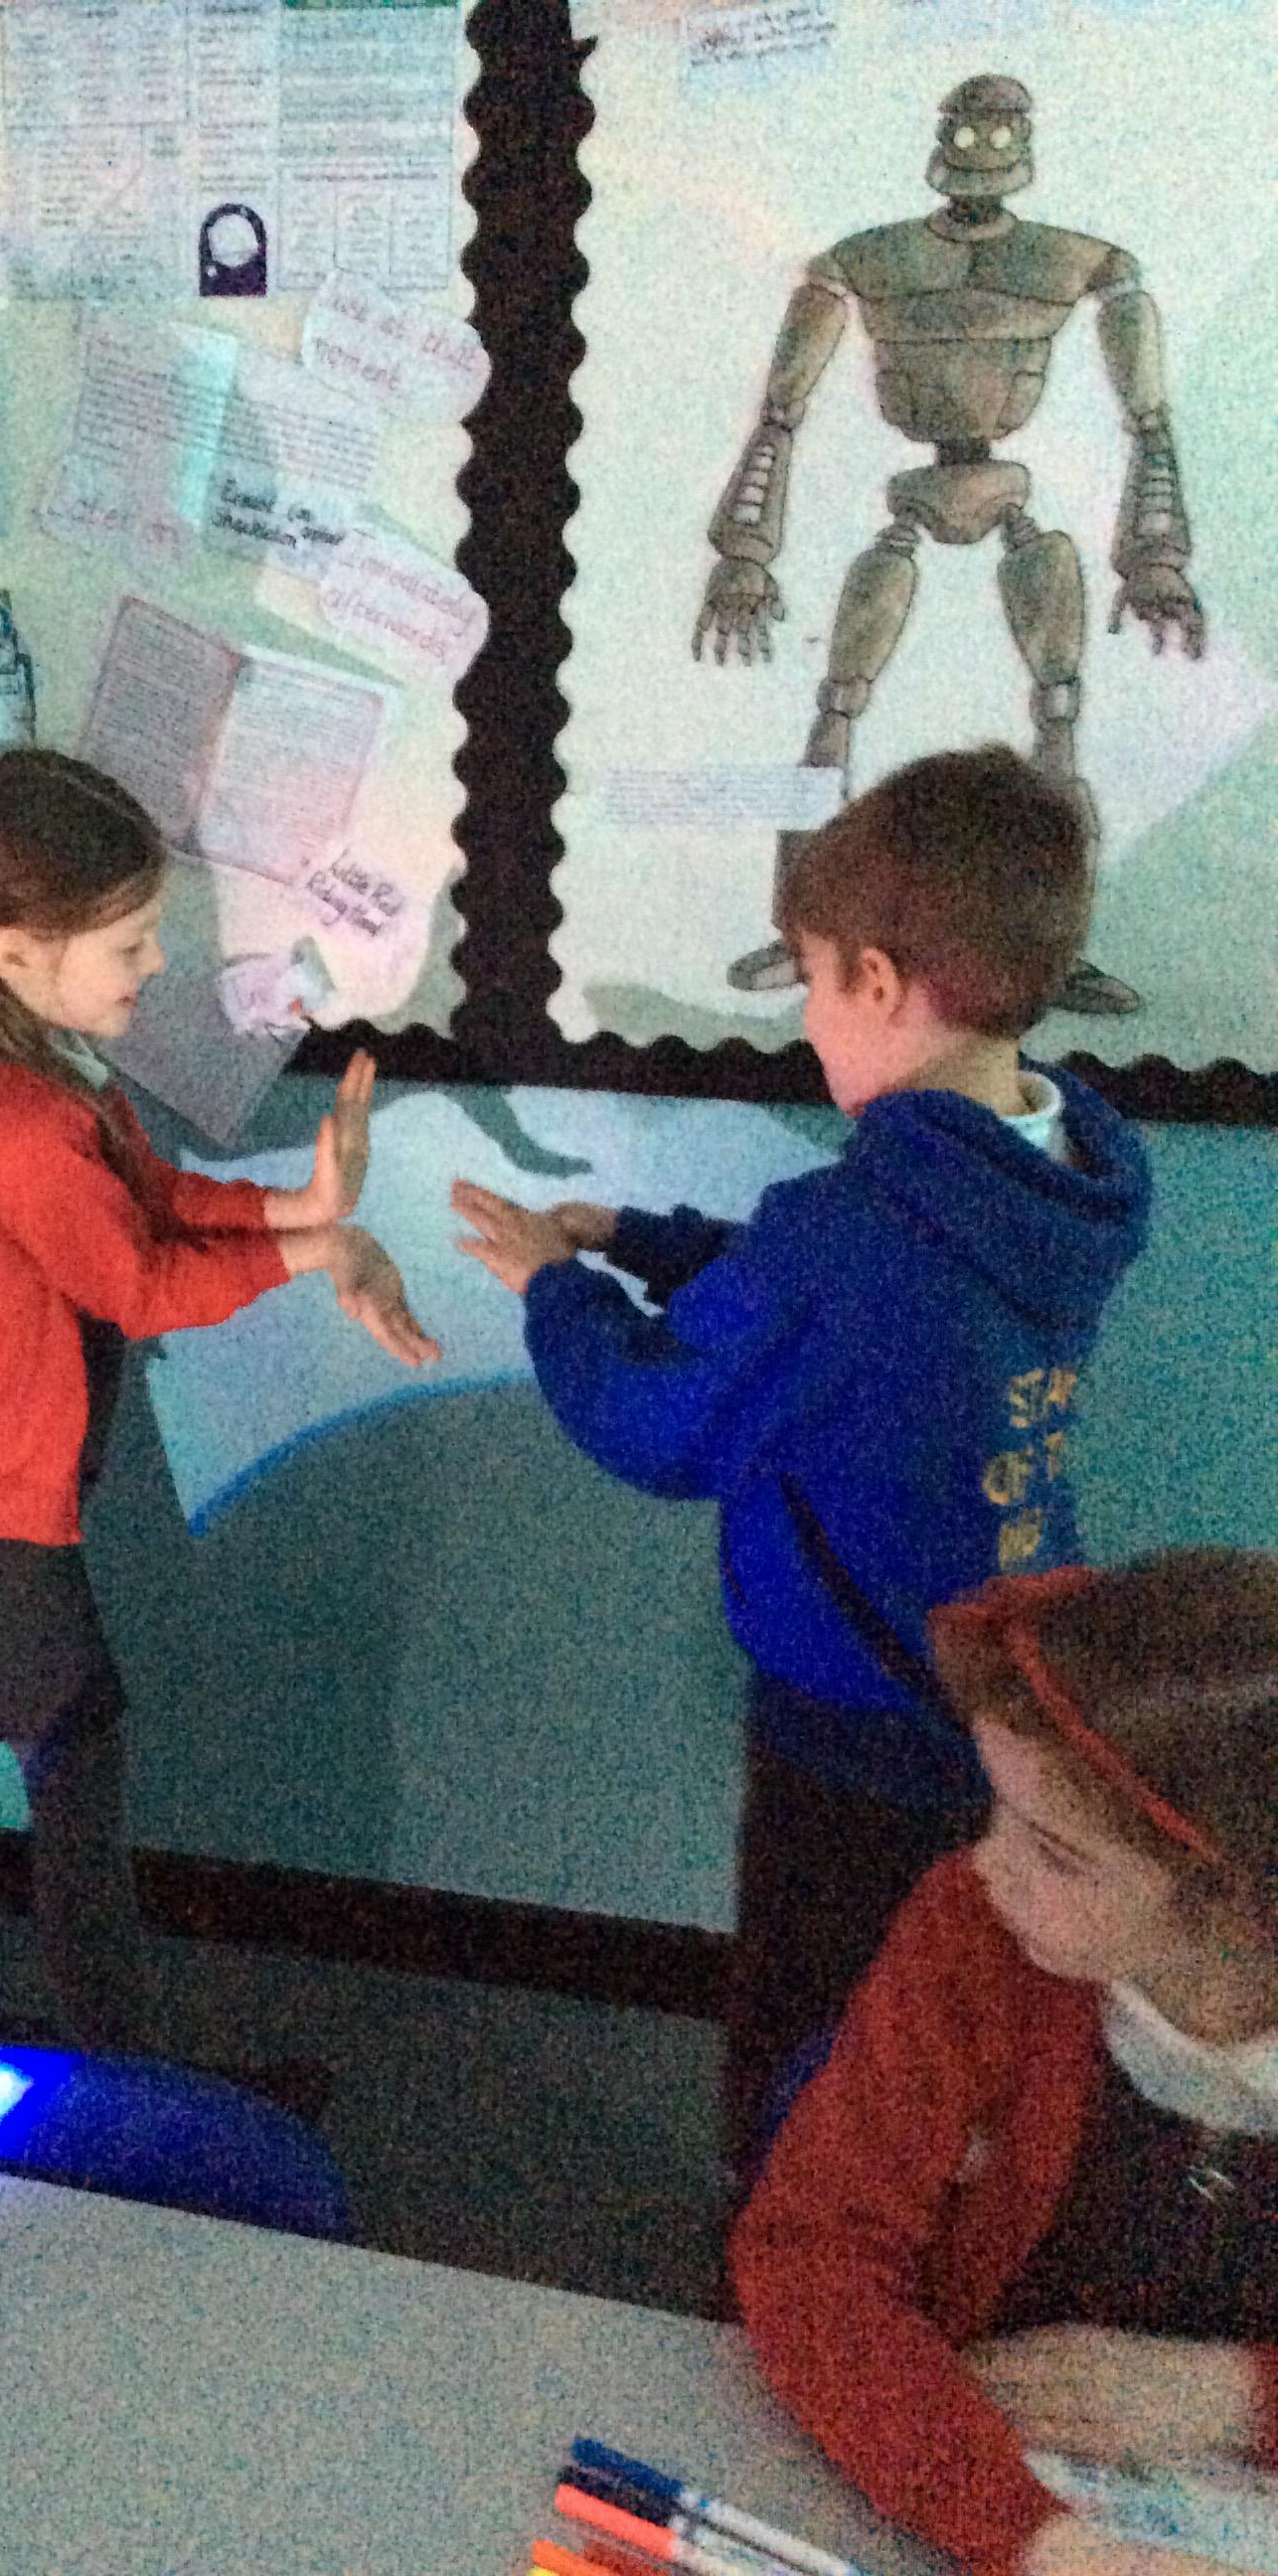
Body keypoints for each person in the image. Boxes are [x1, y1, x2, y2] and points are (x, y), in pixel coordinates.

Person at [449, 747, 1152, 2167]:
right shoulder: (1058, 1174)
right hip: (1010, 1684)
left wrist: (553, 1287)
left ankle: (779, 2232)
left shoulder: (854, 1232)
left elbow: (657, 1422)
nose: (813, 1023)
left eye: (817, 983)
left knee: (820, 2032)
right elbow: (846, 1323)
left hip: (857, 1726)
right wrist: (642, 1240)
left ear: (878, 983)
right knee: (958, 2024)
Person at [0, 746, 436, 2065]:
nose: (154, 965)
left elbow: (134, 1193)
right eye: (130, 942)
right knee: (72, 1759)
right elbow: (139, 1281)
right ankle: (114, 2073)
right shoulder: (13, 1120)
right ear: (18, 951)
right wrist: (313, 1250)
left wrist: (296, 1210)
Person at [731, 1548, 1278, 2576]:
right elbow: (812, 2255)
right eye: (998, 1814)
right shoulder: (972, 1934)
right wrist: (1045, 2542)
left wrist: (1234, 2397)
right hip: (976, 2486)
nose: (986, 1865)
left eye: (1057, 1854)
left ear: (1240, 1907)